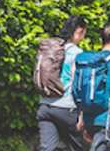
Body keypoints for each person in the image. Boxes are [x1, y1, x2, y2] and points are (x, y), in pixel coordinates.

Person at [37, 15, 88, 151]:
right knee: (77, 147)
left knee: (46, 148)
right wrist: (82, 115)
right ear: (80, 31)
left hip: (45, 107)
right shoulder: (78, 54)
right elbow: (80, 86)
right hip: (67, 109)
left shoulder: (52, 50)